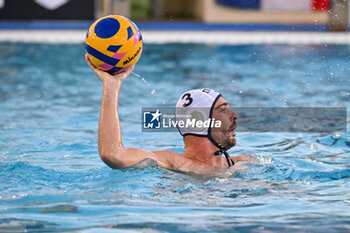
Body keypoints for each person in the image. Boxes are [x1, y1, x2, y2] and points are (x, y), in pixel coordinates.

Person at [86, 54, 256, 177]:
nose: (234, 116)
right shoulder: (171, 163)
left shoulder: (245, 162)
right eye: (223, 110)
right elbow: (113, 154)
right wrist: (112, 86)